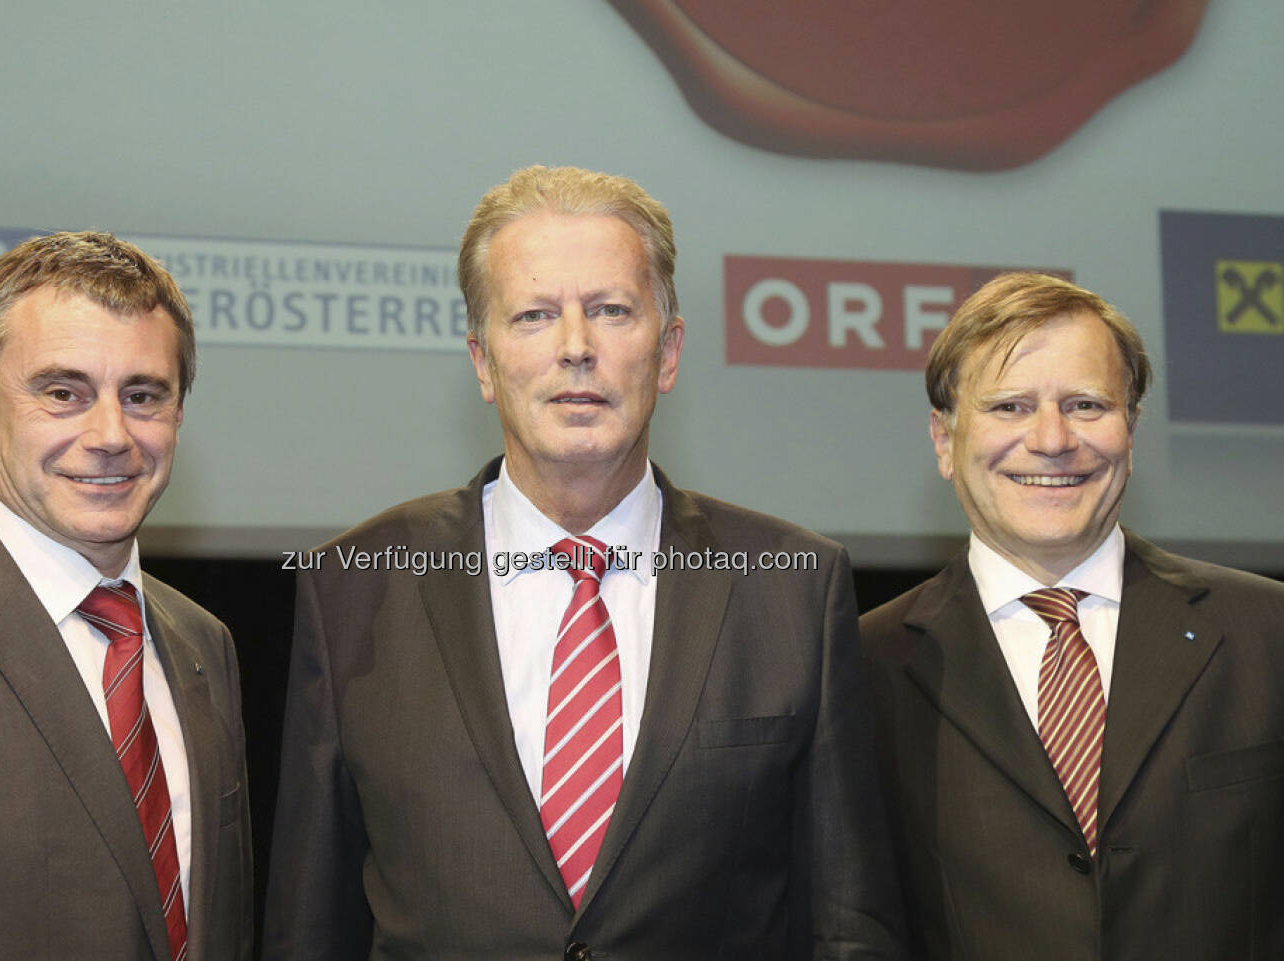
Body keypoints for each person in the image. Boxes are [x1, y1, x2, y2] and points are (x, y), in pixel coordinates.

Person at [263, 166, 904, 960]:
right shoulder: (352, 588)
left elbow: (849, 926)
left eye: (611, 311)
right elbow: (308, 925)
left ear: (668, 352)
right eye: (534, 315)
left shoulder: (792, 588)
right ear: (482, 361)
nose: (576, 348)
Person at [0, 231, 253, 961]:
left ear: (180, 412)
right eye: (63, 392)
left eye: (143, 395)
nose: (110, 434)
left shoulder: (201, 642)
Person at [860, 271, 1284, 959]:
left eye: (1086, 404)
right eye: (1009, 407)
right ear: (943, 439)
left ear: (1132, 429)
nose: (1052, 439)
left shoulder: (1269, 633)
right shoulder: (859, 667)